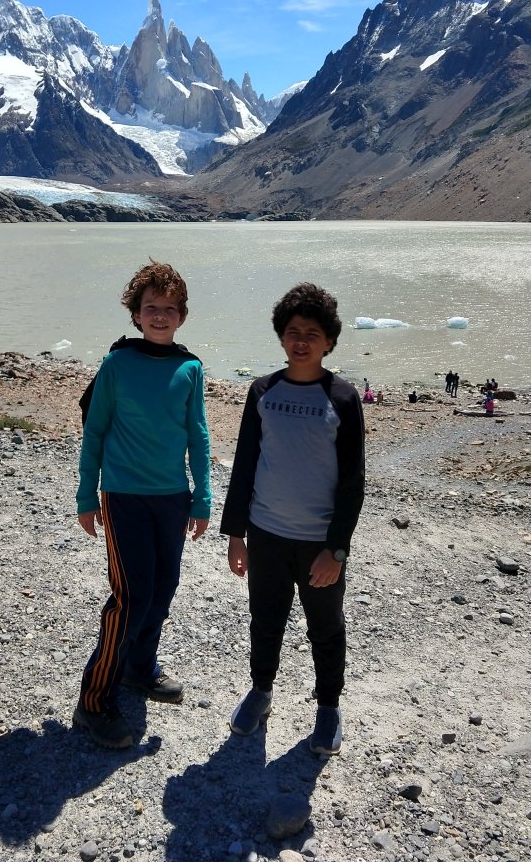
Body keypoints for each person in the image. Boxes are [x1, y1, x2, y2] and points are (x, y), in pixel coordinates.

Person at [220, 283, 365, 757]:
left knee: (325, 627)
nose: (301, 340)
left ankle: (328, 708)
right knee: (265, 621)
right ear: (281, 336)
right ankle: (261, 693)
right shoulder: (262, 391)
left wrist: (337, 550)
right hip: (265, 535)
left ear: (329, 341)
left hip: (318, 543)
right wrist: (235, 534)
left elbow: (352, 483)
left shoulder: (343, 398)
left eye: (313, 333)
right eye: (293, 331)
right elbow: (244, 464)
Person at [72, 261, 211, 749]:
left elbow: (197, 434)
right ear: (136, 314)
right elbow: (96, 432)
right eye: (151, 307)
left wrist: (203, 496)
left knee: (163, 588)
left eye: (169, 309)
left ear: (182, 316)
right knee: (130, 597)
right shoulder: (116, 365)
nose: (160, 316)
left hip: (172, 496)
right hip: (125, 495)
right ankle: (94, 701)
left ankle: (138, 667)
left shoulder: (190, 367)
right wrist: (87, 494)